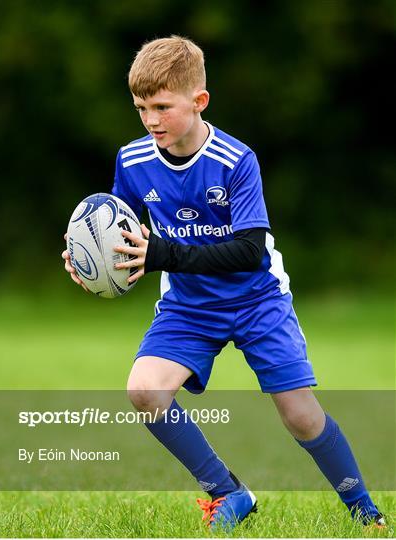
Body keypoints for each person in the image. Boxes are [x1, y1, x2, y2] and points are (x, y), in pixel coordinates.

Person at [62, 36, 385, 531]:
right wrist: (88, 259)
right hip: (189, 306)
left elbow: (248, 249)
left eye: (162, 107)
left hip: (258, 299)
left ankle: (363, 507)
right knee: (145, 391)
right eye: (141, 108)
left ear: (199, 101)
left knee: (300, 415)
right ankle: (229, 492)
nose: (151, 120)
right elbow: (119, 230)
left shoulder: (236, 160)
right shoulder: (132, 161)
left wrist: (162, 254)